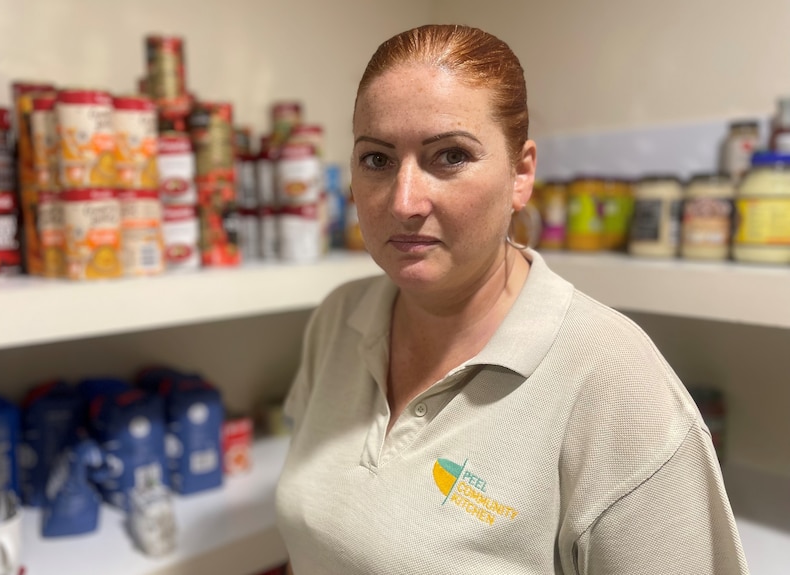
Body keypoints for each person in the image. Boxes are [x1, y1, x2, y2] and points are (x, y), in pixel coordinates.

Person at [275, 24, 749, 575]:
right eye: (377, 159)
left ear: (521, 173)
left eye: (450, 156)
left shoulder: (617, 385)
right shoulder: (340, 319)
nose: (404, 202)